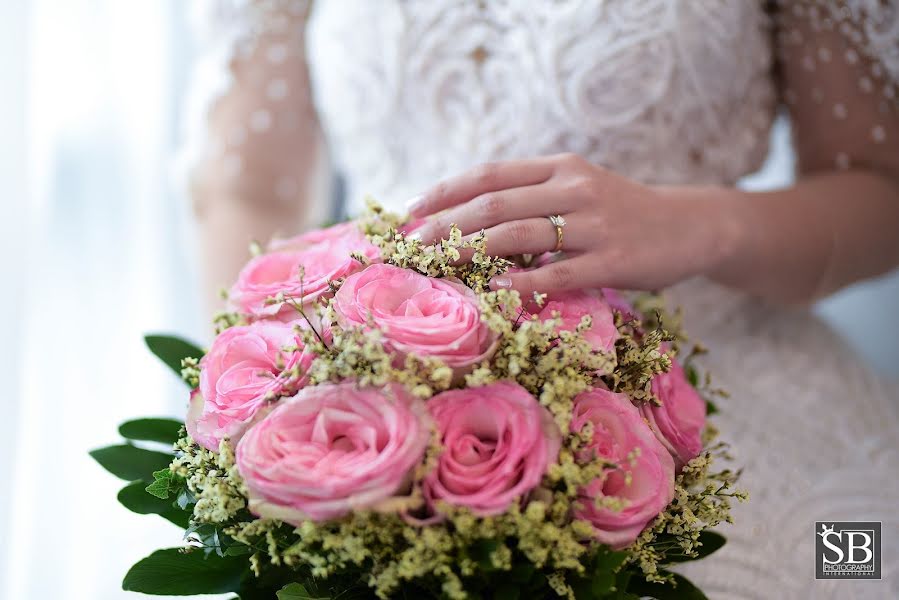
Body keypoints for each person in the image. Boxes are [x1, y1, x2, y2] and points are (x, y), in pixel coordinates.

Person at [184, 1, 899, 597]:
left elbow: (879, 184)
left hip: (724, 400)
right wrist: (266, 387)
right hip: (370, 409)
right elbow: (245, 190)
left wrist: (697, 223)